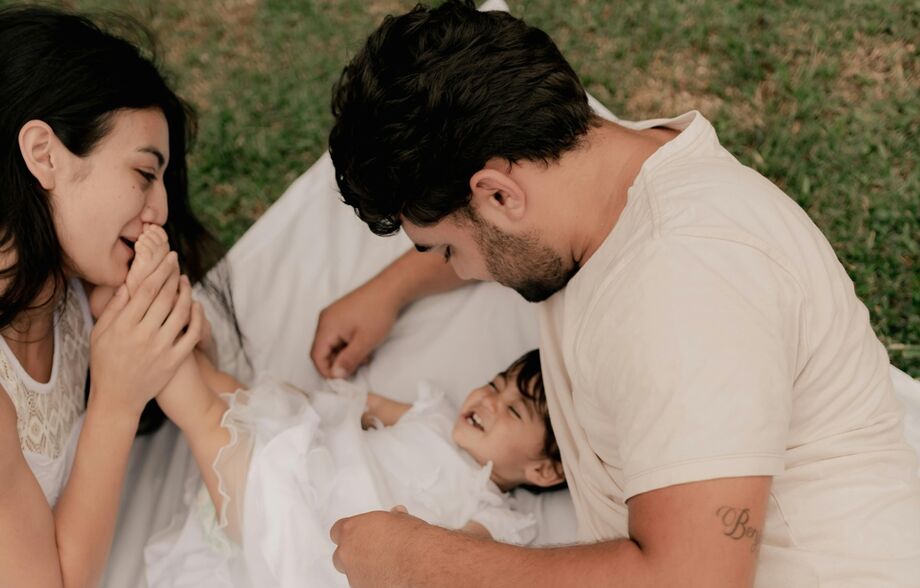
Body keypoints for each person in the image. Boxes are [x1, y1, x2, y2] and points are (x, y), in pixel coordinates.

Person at [312, 1, 920, 586]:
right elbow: (501, 234)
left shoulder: (685, 287)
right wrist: (390, 291)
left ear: (498, 194)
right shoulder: (598, 162)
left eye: (446, 250)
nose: (464, 272)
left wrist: (420, 566)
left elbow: (694, 581)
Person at [122, 226, 563, 586]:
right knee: (239, 397)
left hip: (304, 527)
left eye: (513, 411)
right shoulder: (435, 416)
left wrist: (418, 538)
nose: (490, 400)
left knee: (206, 419)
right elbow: (366, 406)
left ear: (543, 470)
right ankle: (167, 332)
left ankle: (137, 313)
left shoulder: (494, 516)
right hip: (308, 457)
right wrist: (320, 397)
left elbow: (454, 558)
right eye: (495, 385)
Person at [0, 6, 233, 586]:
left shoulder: (81, 288)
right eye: (144, 174)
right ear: (44, 154)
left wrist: (176, 335)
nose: (161, 210)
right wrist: (116, 399)